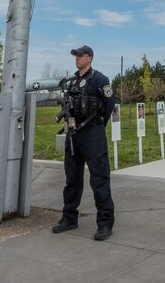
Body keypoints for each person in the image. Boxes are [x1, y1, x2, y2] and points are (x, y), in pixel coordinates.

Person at [52, 44, 116, 240]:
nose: (77, 58)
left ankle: (105, 223)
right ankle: (69, 218)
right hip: (73, 133)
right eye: (76, 55)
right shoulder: (72, 81)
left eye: (80, 55)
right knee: (72, 179)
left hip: (92, 133)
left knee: (99, 179)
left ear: (90, 58)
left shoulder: (100, 79)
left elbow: (110, 103)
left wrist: (99, 124)